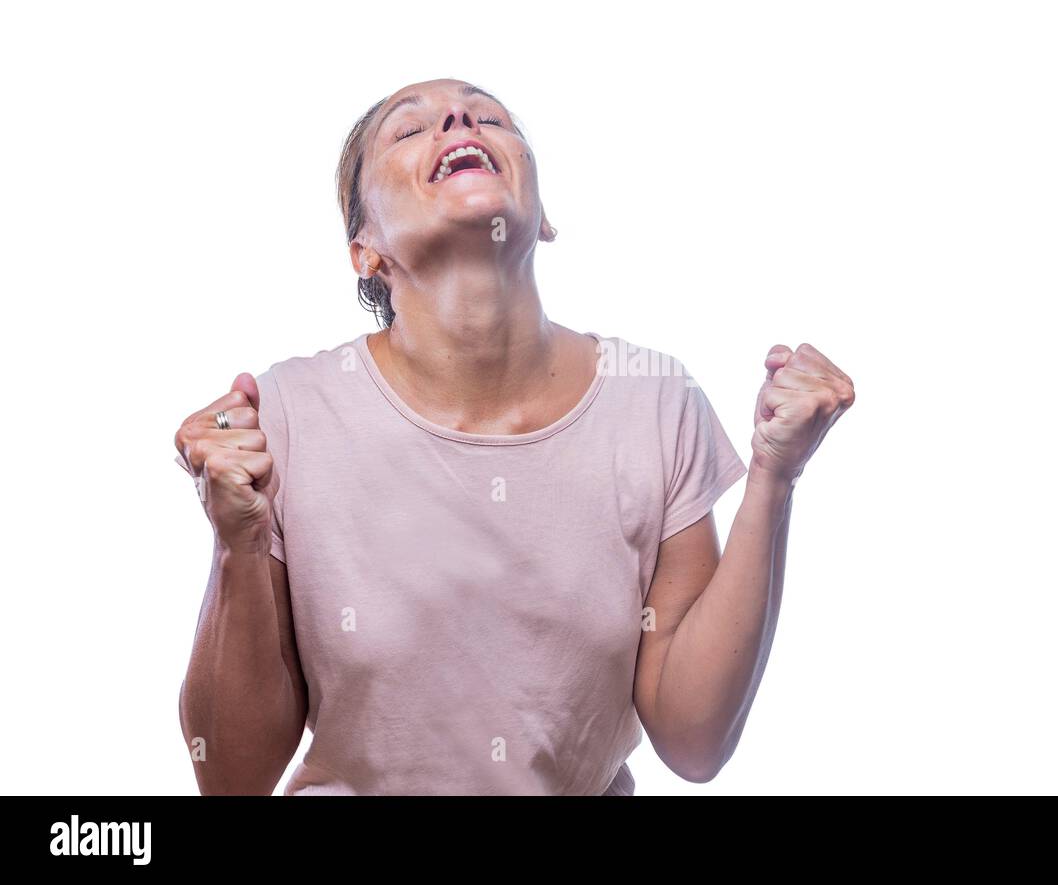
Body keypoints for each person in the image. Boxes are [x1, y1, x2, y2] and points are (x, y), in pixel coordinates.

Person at [173, 78, 854, 794]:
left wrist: (776, 474)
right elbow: (231, 780)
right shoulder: (290, 415)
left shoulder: (654, 402)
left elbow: (695, 739)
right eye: (409, 131)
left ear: (546, 217)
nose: (461, 120)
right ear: (365, 249)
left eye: (489, 117)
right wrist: (237, 542)